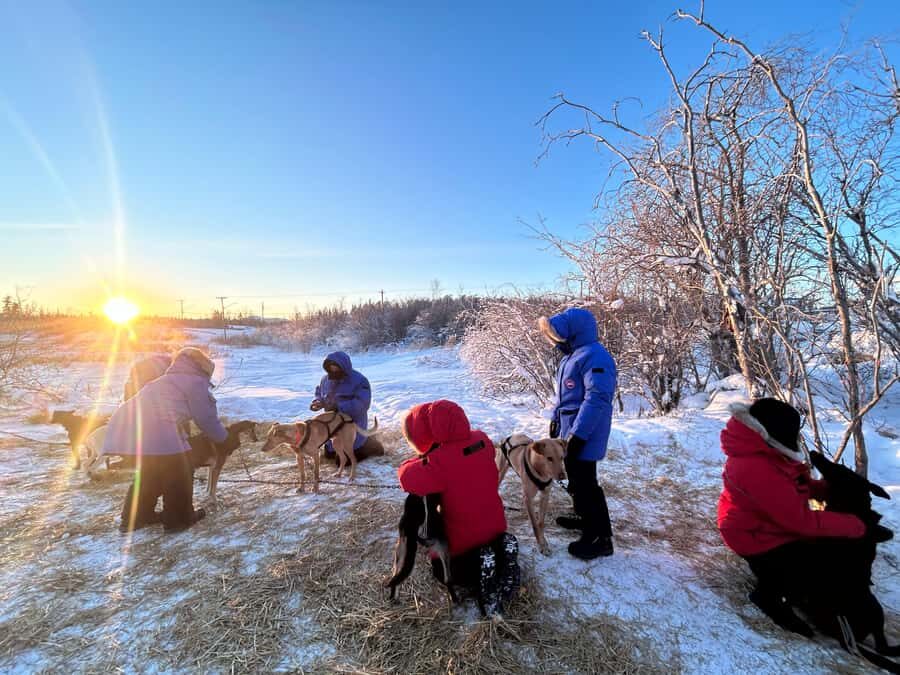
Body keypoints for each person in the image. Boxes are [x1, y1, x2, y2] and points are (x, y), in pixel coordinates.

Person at [718, 398, 867, 635]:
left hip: (767, 523)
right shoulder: (755, 467)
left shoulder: (766, 450)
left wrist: (826, 489)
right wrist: (854, 525)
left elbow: (793, 485)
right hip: (753, 535)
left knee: (819, 556)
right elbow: (801, 522)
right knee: (804, 569)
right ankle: (769, 597)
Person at [398, 399, 519, 618]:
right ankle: (503, 549)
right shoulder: (482, 440)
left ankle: (481, 566)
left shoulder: (438, 462)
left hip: (465, 542)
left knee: (442, 569)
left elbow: (407, 479)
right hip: (496, 526)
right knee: (491, 537)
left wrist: (414, 461)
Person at [103, 347, 233, 533]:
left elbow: (170, 413)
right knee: (180, 470)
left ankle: (136, 518)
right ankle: (179, 520)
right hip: (154, 430)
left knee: (150, 473)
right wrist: (224, 438)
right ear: (203, 368)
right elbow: (205, 418)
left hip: (129, 427)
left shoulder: (168, 379)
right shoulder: (194, 382)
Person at [539, 307, 617, 560]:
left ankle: (600, 537)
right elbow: (567, 399)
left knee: (587, 484)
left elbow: (597, 399)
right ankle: (582, 515)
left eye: (559, 333)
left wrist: (578, 435)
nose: (557, 339)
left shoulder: (596, 356)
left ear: (574, 331)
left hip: (586, 432)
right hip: (570, 431)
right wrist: (555, 422)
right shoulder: (573, 356)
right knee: (575, 479)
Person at [310, 351, 384, 462]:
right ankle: (363, 440)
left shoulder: (359, 380)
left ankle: (370, 443)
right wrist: (318, 402)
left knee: (345, 460)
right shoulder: (325, 379)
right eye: (330, 368)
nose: (333, 370)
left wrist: (339, 407)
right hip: (333, 425)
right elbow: (320, 394)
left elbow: (362, 403)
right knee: (329, 455)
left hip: (352, 424)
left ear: (343, 366)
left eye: (336, 367)